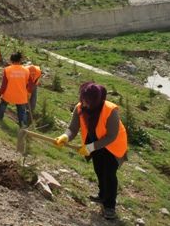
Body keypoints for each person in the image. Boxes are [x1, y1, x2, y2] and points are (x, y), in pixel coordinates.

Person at [54, 82, 128, 220]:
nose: (84, 104)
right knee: (99, 169)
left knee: (109, 175)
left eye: (87, 101)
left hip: (113, 145)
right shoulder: (79, 108)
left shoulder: (110, 111)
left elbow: (112, 136)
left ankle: (109, 206)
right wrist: (65, 137)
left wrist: (90, 147)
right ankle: (102, 195)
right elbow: (73, 128)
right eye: (83, 100)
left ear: (96, 101)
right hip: (95, 142)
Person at [0, 52, 30, 127]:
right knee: (22, 111)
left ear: (11, 60)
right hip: (21, 95)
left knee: (3, 104)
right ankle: (23, 126)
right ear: (20, 60)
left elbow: (4, 85)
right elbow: (27, 84)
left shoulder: (7, 70)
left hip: (9, 94)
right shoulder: (26, 71)